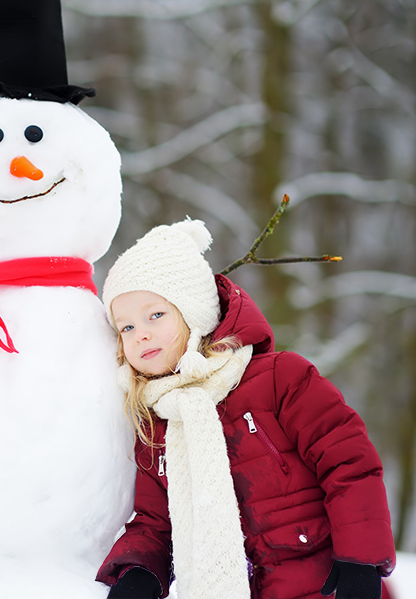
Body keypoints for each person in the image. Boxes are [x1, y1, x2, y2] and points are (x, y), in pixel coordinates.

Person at [95, 219, 396, 599]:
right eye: (126, 327)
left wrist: (361, 557)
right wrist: (139, 573)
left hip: (330, 586)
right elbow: (157, 522)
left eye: (156, 315)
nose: (141, 334)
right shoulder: (157, 427)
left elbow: (348, 461)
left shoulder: (279, 378)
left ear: (195, 314)